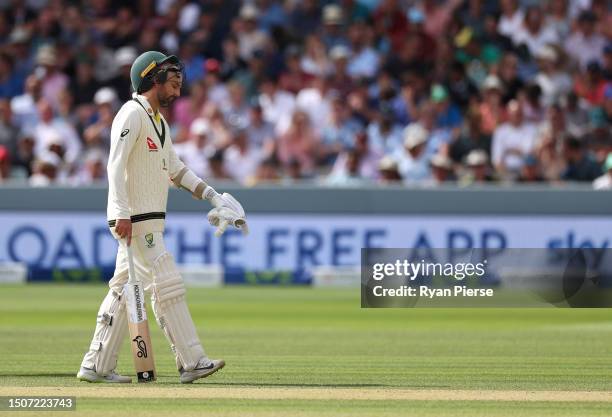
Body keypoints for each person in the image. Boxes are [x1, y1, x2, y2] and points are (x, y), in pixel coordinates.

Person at [77, 51, 248, 384]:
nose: (178, 91)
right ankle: (192, 361)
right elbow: (115, 165)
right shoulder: (132, 113)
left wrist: (213, 196)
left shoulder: (160, 122)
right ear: (151, 79)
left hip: (149, 220)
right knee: (167, 284)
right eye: (173, 82)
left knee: (123, 289)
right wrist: (122, 213)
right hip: (135, 219)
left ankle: (95, 364)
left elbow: (177, 171)